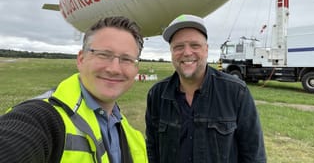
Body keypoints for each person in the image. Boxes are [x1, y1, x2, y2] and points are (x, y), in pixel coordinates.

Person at [0, 16, 148, 163]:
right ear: (81, 59)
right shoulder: (44, 118)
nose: (114, 69)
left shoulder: (132, 136)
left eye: (127, 59)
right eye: (103, 55)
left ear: (136, 68)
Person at [145, 14, 266, 163]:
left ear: (206, 49)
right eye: (179, 47)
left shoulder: (236, 92)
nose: (187, 52)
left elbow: (254, 155)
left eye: (195, 45)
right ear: (171, 52)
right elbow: (152, 149)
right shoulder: (157, 95)